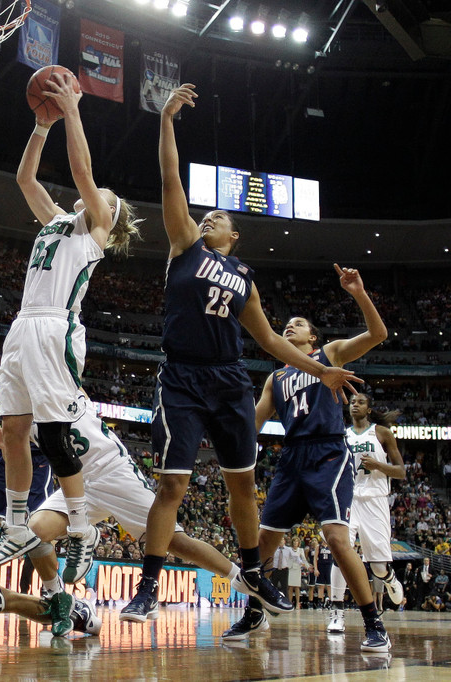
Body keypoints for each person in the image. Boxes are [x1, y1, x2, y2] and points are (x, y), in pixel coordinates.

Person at [122, 84, 359, 623]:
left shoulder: (245, 279)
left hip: (229, 379)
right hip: (181, 377)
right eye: (205, 216)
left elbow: (271, 342)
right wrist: (166, 122)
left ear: (236, 234)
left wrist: (321, 368)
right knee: (172, 485)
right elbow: (168, 179)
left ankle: (253, 574)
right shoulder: (184, 244)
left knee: (243, 487)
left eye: (218, 218)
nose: (208, 219)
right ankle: (147, 587)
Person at [0, 73, 141, 586]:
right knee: (14, 430)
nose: (94, 195)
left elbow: (82, 173)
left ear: (108, 216)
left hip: (56, 328)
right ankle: (15, 523)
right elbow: (26, 181)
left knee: (53, 434)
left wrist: (73, 110)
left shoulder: (95, 228)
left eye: (103, 196)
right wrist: (39, 128)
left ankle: (81, 530)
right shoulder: (55, 221)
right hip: (23, 325)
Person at [221, 264, 391, 653]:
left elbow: (378, 334)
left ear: (313, 336)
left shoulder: (329, 354)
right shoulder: (275, 378)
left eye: (298, 324)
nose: (289, 327)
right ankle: (255, 610)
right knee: (262, 542)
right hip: (291, 457)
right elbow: (252, 421)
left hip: (328, 452)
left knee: (335, 536)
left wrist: (359, 293)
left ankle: (372, 621)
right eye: (286, 325)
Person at [0, 406, 244, 630]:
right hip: (77, 483)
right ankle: (58, 598)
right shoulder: (20, 415)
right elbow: (0, 435)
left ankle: (242, 578)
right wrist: (5, 444)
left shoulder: (59, 377)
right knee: (33, 532)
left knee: (176, 542)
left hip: (113, 472)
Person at [330, 393, 406, 628]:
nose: (355, 404)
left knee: (378, 567)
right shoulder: (343, 435)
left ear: (369, 409)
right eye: (352, 402)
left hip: (375, 500)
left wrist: (378, 465)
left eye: (360, 402)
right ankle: (336, 611)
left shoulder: (381, 433)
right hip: (349, 499)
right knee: (340, 552)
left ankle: (389, 578)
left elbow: (401, 471)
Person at [0, 396, 54, 583]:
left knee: (42, 533)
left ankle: (51, 588)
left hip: (38, 462)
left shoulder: (49, 383)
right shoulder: (11, 379)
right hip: (7, 455)